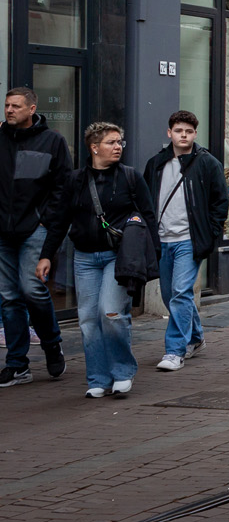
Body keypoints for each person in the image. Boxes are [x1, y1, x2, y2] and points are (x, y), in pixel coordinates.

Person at [40, 123, 158, 398]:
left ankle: (122, 372)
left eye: (120, 142)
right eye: (111, 142)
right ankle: (97, 378)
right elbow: (59, 222)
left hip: (118, 258)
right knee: (88, 320)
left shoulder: (130, 178)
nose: (118, 147)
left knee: (111, 313)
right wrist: (46, 255)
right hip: (83, 258)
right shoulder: (75, 180)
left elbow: (148, 216)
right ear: (94, 147)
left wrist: (152, 257)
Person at [142, 110, 229, 372]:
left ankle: (174, 350)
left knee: (180, 292)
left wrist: (210, 233)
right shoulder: (156, 163)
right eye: (179, 131)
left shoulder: (207, 163)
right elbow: (146, 200)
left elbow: (220, 202)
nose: (183, 135)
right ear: (169, 133)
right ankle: (195, 336)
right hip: (162, 239)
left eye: (189, 131)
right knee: (171, 296)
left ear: (195, 134)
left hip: (190, 239)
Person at [0, 87, 72, 388]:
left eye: (15, 106)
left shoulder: (52, 141)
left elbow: (63, 187)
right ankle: (17, 365)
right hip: (3, 230)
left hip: (35, 228)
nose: (9, 110)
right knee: (8, 298)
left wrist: (46, 220)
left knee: (32, 289)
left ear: (32, 109)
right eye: (6, 105)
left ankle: (51, 344)